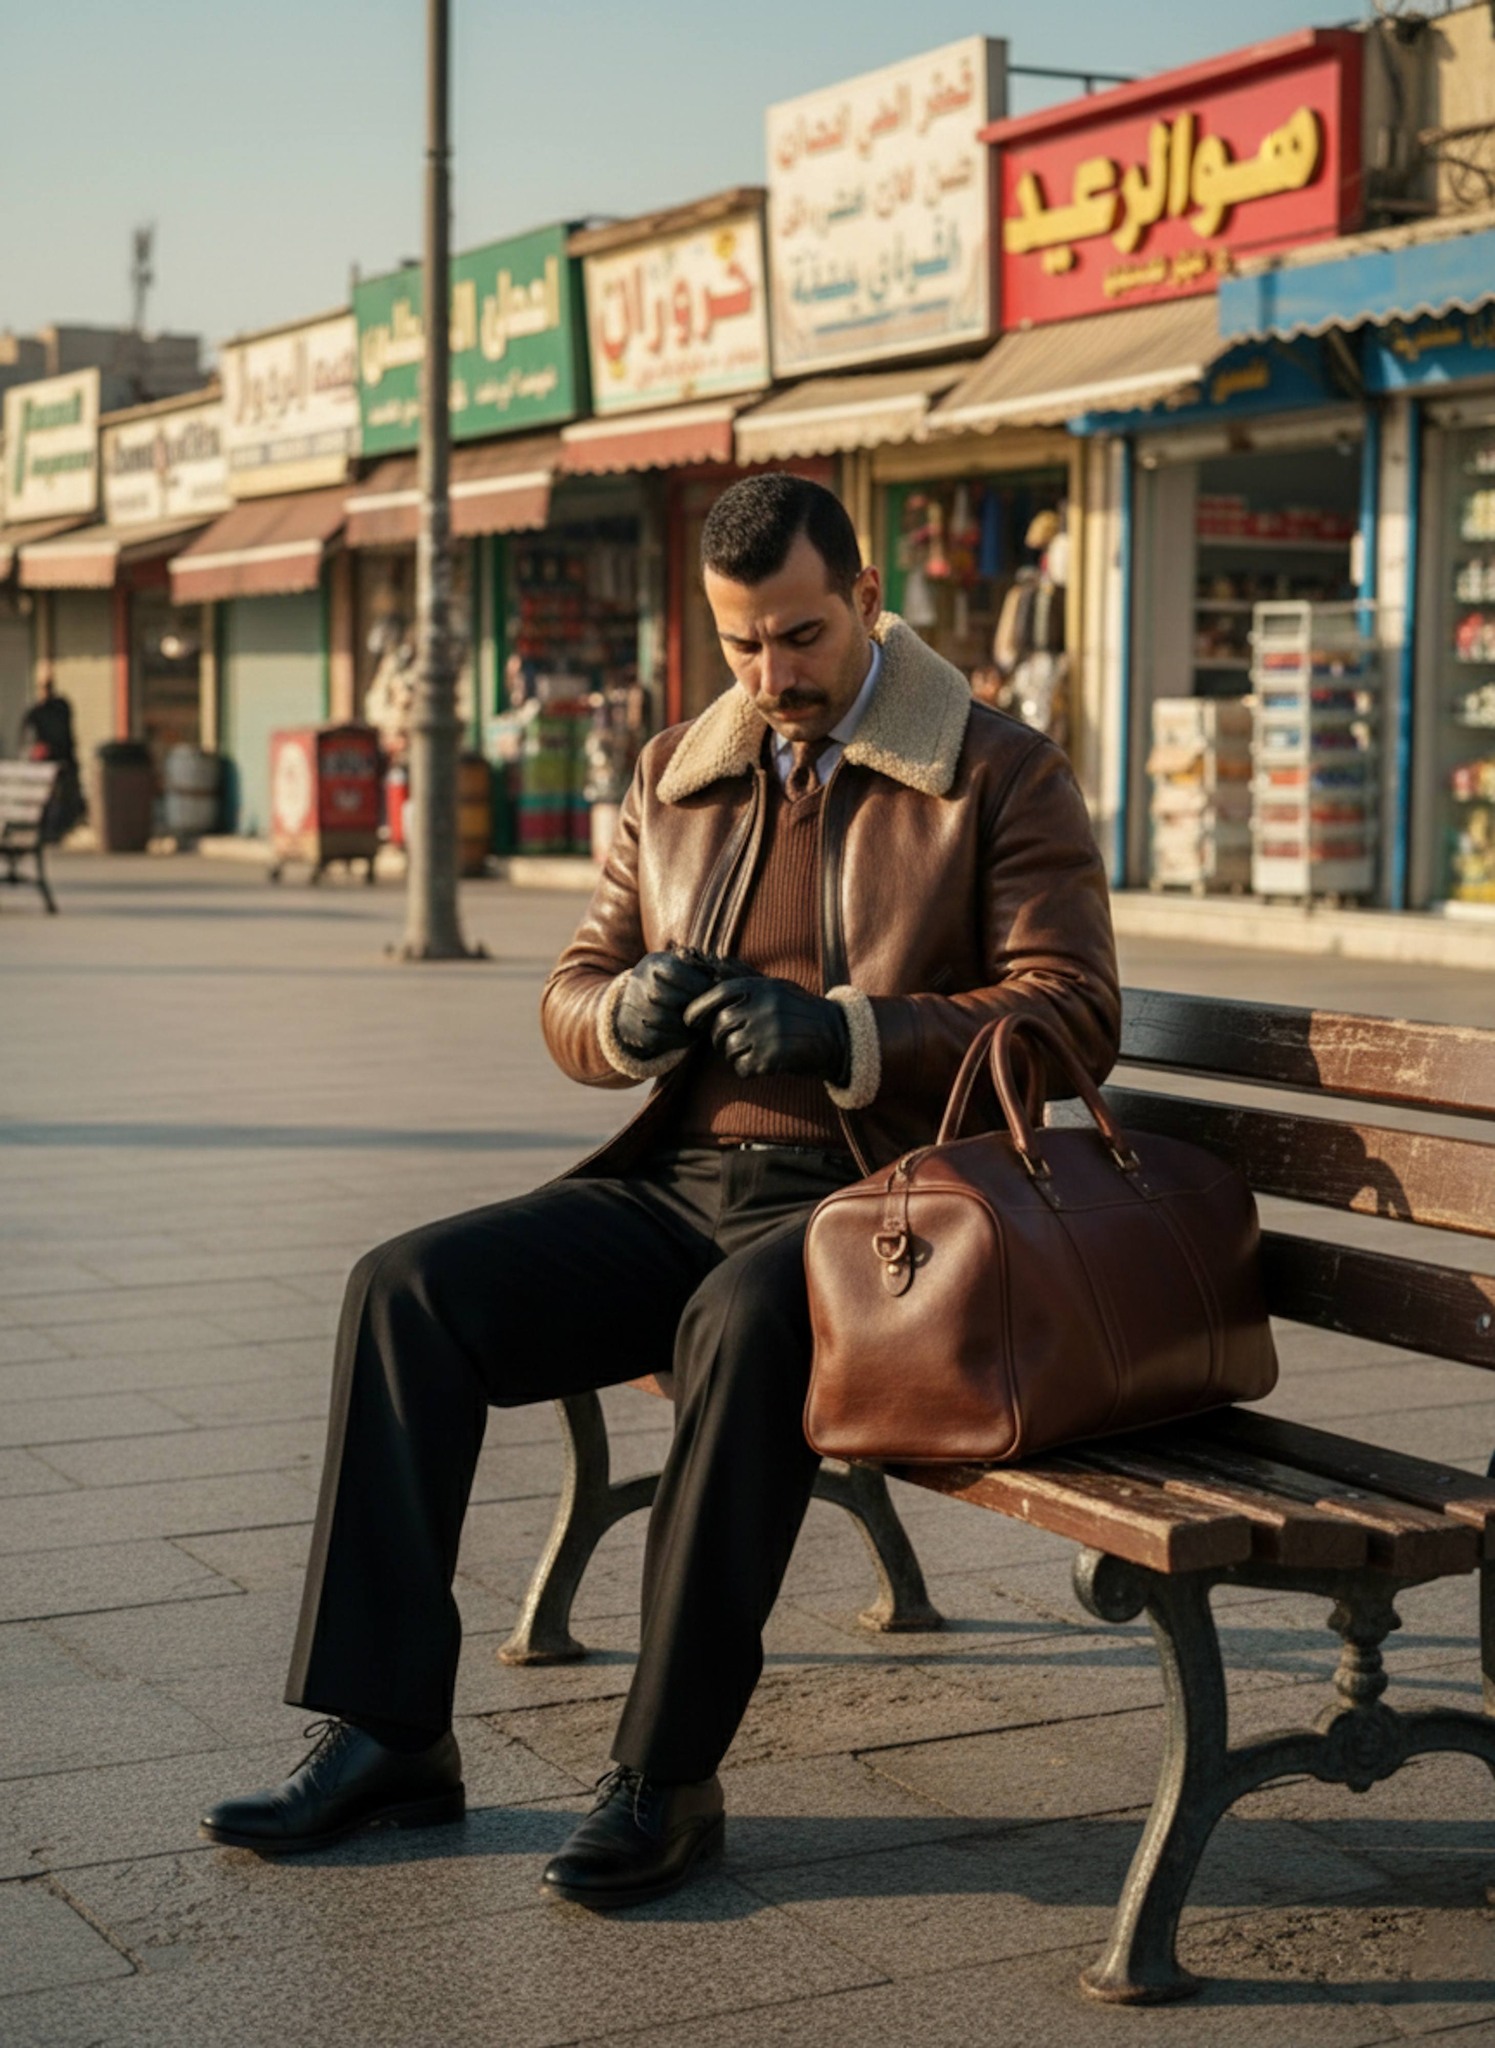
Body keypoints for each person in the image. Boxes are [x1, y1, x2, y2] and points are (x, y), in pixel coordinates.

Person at [201, 474, 1121, 1906]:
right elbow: (572, 988)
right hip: (680, 1180)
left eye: (803, 639)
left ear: (869, 603)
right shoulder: (676, 775)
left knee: (741, 1322)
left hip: (885, 1208)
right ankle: (388, 1733)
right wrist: (627, 1014)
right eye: (743, 648)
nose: (772, 678)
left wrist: (850, 1032)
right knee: (405, 1289)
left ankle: (664, 1776)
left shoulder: (997, 771)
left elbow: (1069, 1014)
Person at [19, 672, 86, 841]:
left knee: (63, 798)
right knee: (48, 799)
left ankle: (57, 829)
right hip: (46, 764)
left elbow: (66, 737)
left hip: (63, 762)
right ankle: (49, 829)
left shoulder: (60, 708)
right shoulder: (37, 712)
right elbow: (26, 738)